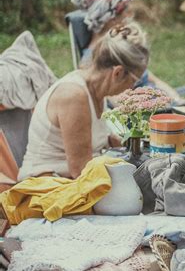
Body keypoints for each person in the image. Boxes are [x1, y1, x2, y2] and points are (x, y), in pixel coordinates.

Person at [18, 23, 148, 180]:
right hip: (45, 187)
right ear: (118, 73)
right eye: (134, 80)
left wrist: (109, 141)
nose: (133, 87)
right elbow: (81, 171)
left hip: (70, 181)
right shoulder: (74, 96)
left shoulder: (97, 92)